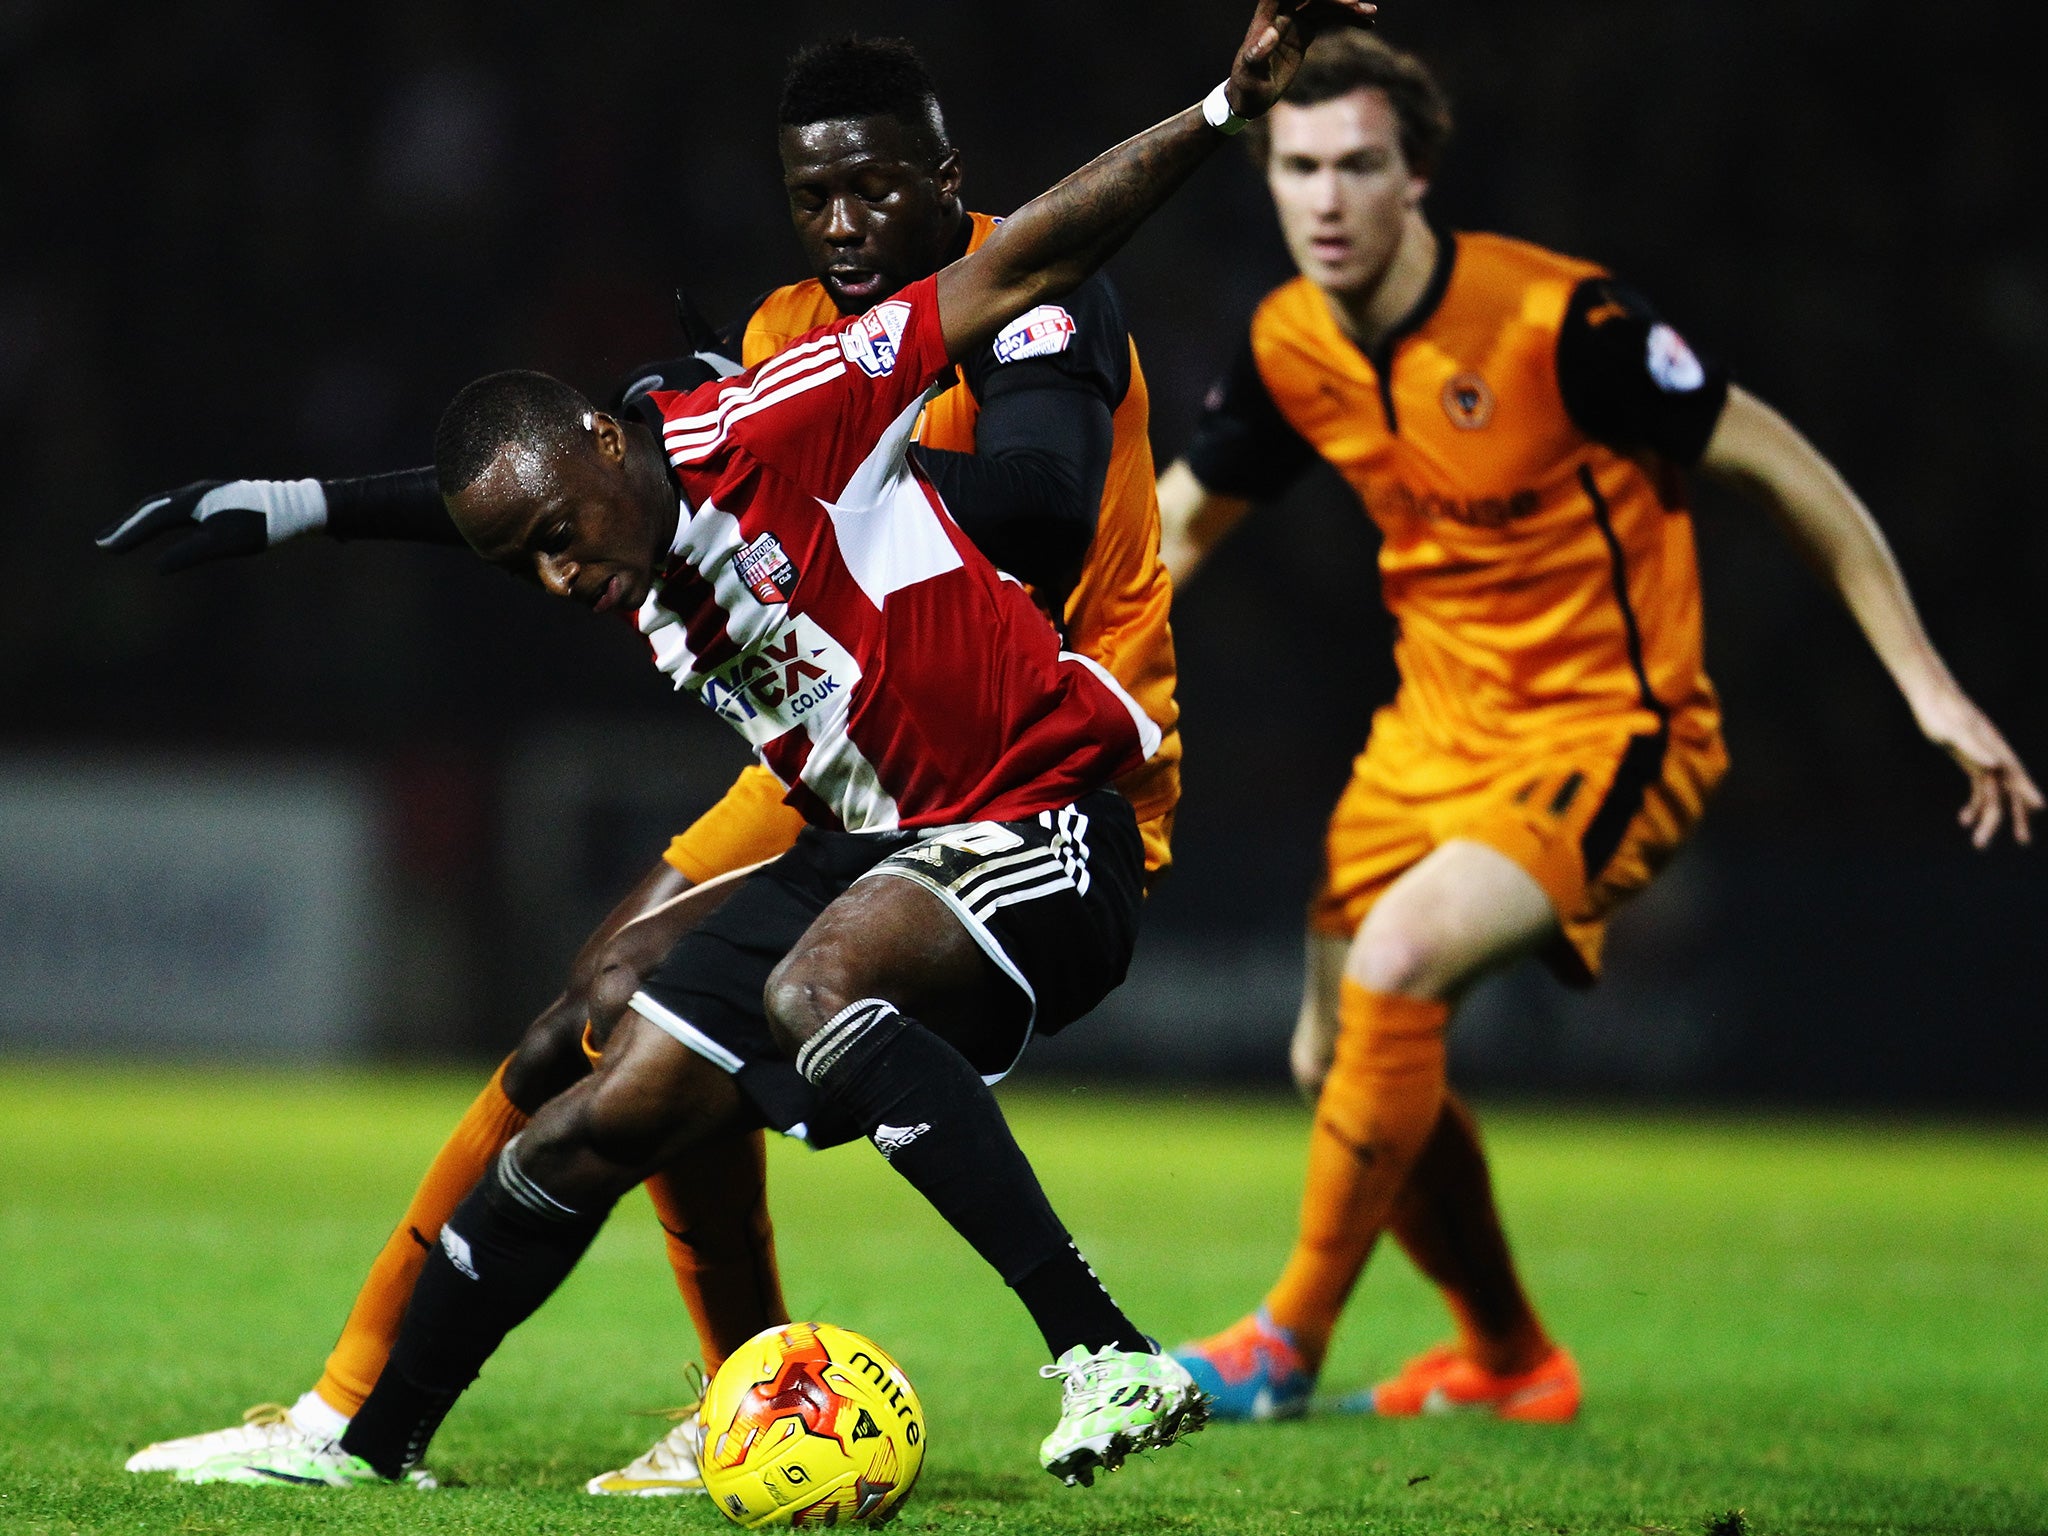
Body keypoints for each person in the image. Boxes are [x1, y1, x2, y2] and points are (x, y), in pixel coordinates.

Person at [141, 0, 1378, 1491]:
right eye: (814, 197)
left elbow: (1030, 467)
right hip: (850, 769)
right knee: (601, 1035)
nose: (844, 220)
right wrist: (295, 506)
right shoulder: (680, 453)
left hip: (1040, 767)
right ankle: (377, 1433)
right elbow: (528, 486)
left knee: (809, 984)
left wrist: (1225, 110)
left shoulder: (860, 377)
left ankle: (1097, 1349)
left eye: (873, 185)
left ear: (939, 169)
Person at [1163, 30, 2040, 1424]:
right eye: (1298, 168)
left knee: (1395, 964)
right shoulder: (1287, 343)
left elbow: (1784, 467)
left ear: (1419, 175)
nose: (1326, 198)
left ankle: (1283, 1345)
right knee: (1336, 1061)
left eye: (1359, 166)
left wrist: (1927, 687)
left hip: (1606, 731)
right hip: (1422, 737)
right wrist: (1050, 663)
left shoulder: (1560, 327)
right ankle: (1512, 1362)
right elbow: (1186, 518)